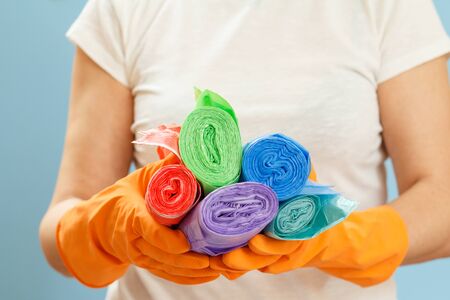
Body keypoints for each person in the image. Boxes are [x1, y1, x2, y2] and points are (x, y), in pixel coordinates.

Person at [39, 0, 450, 299]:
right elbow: (58, 229)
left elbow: (443, 201)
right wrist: (106, 228)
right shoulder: (124, 9)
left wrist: (340, 239)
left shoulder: (389, 7)